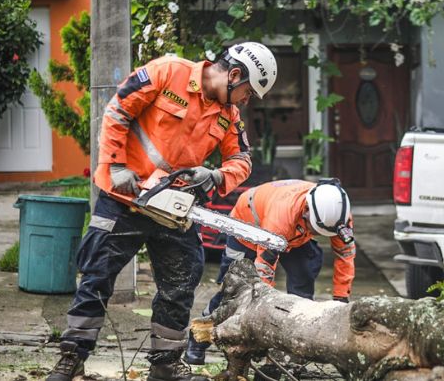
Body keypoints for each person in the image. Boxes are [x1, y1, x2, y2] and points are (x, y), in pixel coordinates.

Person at [47, 43, 278, 381]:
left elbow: (241, 161)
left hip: (172, 207)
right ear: (234, 74)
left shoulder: (229, 116)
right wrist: (115, 165)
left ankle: (166, 364)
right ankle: (72, 357)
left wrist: (214, 176)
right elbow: (118, 111)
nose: (247, 100)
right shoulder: (169, 71)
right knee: (96, 275)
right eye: (248, 92)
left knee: (182, 281)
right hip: (125, 196)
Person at [185, 178, 356, 365]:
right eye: (315, 229)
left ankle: (294, 351)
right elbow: (264, 271)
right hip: (249, 228)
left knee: (303, 287)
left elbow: (345, 257)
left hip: (297, 238)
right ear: (307, 210)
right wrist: (258, 327)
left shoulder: (338, 216)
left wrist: (341, 299)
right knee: (232, 292)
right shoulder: (282, 214)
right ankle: (198, 340)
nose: (316, 233)